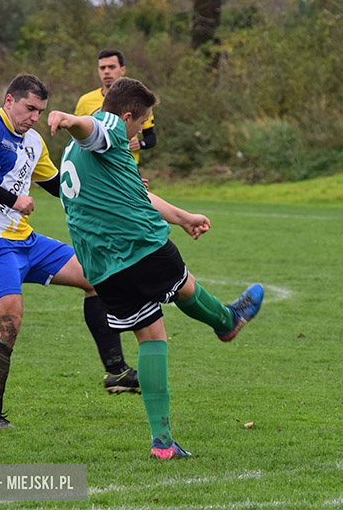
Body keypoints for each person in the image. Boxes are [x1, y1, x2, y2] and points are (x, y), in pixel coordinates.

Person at [48, 77, 264, 459]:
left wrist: (183, 217)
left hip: (99, 266)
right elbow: (92, 127)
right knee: (184, 288)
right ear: (128, 115)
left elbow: (138, 194)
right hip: (139, 246)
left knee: (151, 337)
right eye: (142, 123)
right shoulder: (108, 128)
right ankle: (226, 321)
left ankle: (162, 444)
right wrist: (68, 117)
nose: (140, 133)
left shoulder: (73, 156)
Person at [0, 74, 141, 431]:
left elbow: (59, 186)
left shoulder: (33, 141)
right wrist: (12, 199)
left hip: (27, 241)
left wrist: (119, 186)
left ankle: (116, 372)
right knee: (8, 322)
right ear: (9, 101)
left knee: (94, 274)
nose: (34, 117)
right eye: (29, 108)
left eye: (40, 111)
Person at [74, 49, 156, 166]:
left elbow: (151, 138)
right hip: (97, 165)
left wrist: (140, 144)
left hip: (126, 165)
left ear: (123, 70)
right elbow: (77, 136)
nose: (106, 72)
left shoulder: (138, 100)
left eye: (111, 67)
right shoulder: (85, 101)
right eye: (102, 68)